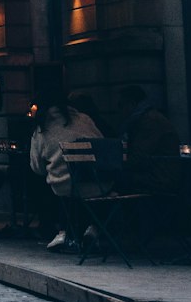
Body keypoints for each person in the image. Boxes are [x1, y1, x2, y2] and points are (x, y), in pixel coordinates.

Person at [29, 93, 103, 250]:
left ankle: (61, 231)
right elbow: (102, 146)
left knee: (46, 183)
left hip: (65, 185)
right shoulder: (85, 119)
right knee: (81, 189)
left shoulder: (42, 127)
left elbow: (37, 167)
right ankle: (91, 227)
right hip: (99, 183)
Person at [118, 84, 181, 195]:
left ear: (131, 104)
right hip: (160, 173)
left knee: (118, 181)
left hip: (159, 176)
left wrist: (117, 167)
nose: (119, 110)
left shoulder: (148, 121)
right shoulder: (148, 118)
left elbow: (139, 155)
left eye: (121, 105)